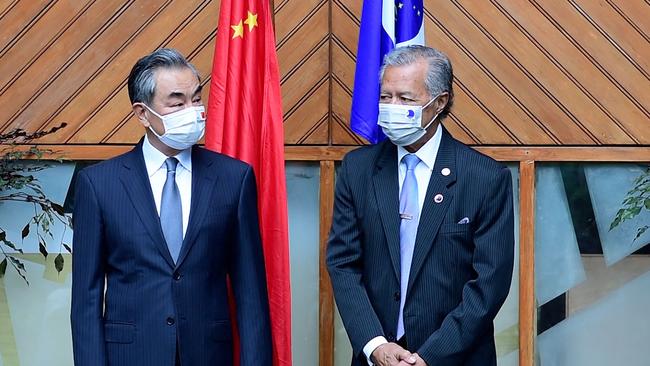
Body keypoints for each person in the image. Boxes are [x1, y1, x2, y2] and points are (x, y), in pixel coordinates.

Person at [70, 48, 272, 366]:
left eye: (196, 99)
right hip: (131, 354)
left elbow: (251, 294)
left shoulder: (234, 178)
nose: (192, 111)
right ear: (142, 113)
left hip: (209, 354)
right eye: (177, 103)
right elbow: (86, 298)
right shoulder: (98, 185)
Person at [327, 45, 514, 366]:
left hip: (456, 358)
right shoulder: (358, 169)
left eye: (405, 98)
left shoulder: (485, 177)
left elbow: (489, 283)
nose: (392, 107)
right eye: (385, 97)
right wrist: (375, 345)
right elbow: (343, 263)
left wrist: (429, 356)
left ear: (439, 102)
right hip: (379, 356)